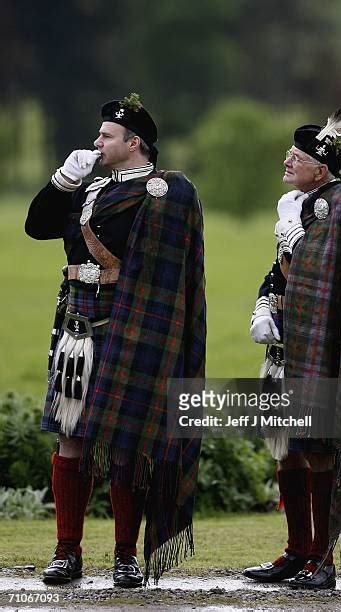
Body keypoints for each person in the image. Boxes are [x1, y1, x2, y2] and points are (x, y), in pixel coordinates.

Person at [25, 93, 206, 588]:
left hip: (132, 327)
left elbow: (170, 270)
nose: (97, 142)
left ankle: (126, 554)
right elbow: (36, 226)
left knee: (127, 443)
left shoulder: (164, 192)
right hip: (79, 324)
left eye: (107, 136)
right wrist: (63, 180)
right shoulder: (90, 189)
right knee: (71, 436)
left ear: (135, 143)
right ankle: (68, 552)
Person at [244, 63, 341, 589]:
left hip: (327, 351)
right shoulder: (293, 206)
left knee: (318, 449)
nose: (288, 159)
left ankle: (323, 560)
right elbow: (283, 270)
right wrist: (266, 303)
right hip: (286, 347)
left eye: (299, 156)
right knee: (286, 447)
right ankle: (296, 551)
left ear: (322, 166)